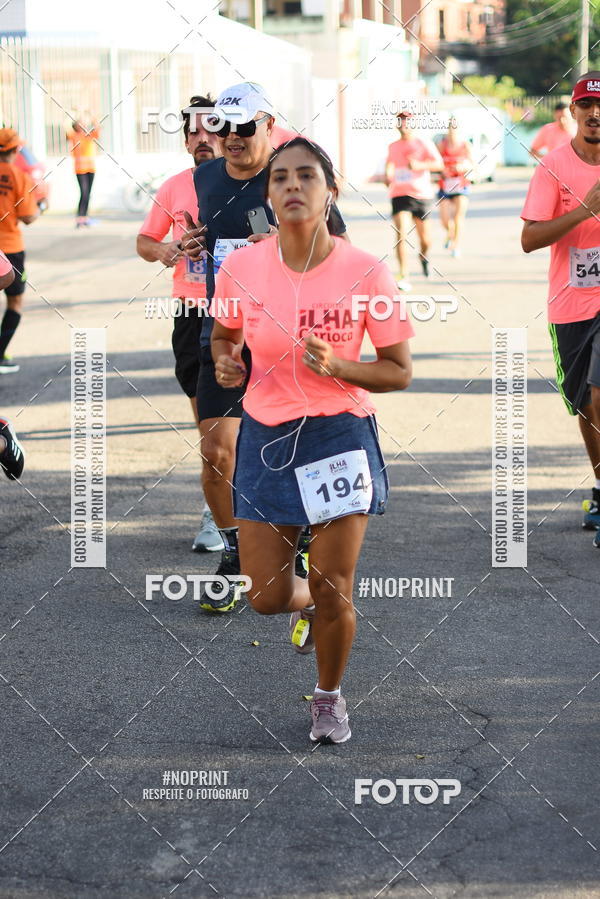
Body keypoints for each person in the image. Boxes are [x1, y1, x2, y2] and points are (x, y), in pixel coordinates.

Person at [210, 137, 413, 743]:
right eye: (280, 178)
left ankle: (328, 698)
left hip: (338, 434)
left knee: (333, 586)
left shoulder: (366, 271)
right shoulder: (242, 268)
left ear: (330, 192)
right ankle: (306, 602)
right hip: (265, 436)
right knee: (266, 597)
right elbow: (223, 335)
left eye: (306, 176)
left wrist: (342, 367)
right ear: (268, 195)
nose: (292, 185)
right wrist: (226, 361)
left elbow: (398, 371)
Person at [180, 82, 347, 613]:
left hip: (287, 336)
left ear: (269, 125)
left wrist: (282, 246)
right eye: (223, 126)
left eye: (244, 126)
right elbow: (207, 235)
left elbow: (341, 249)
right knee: (217, 451)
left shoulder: (294, 173)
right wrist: (193, 244)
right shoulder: (205, 177)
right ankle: (235, 552)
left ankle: (301, 543)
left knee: (293, 452)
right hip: (225, 333)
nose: (231, 137)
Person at [137, 95, 223, 553]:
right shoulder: (173, 187)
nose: (201, 138)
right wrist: (167, 250)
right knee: (208, 421)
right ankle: (217, 512)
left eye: (210, 129)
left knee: (254, 418)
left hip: (244, 311)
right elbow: (145, 240)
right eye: (193, 132)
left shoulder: (252, 183)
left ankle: (263, 511)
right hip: (191, 312)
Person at [521, 72, 600, 548]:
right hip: (571, 302)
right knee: (585, 403)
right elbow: (529, 238)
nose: (595, 114)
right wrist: (584, 211)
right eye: (586, 106)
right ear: (573, 112)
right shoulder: (553, 166)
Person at [385, 112, 442, 291]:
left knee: (426, 240)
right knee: (401, 234)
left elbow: (439, 164)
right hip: (400, 194)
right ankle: (404, 275)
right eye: (400, 121)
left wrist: (420, 165)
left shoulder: (423, 143)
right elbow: (389, 164)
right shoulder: (393, 146)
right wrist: (387, 175)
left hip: (422, 195)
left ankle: (423, 256)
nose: (403, 125)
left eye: (407, 121)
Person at [0, 128, 39, 374]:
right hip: (10, 248)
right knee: (14, 301)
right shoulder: (18, 175)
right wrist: (41, 207)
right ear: (15, 150)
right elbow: (28, 217)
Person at [436, 118, 475, 258]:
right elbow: (436, 163)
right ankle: (450, 233)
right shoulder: (442, 146)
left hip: (461, 186)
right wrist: (442, 171)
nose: (452, 131)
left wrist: (463, 167)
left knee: (458, 217)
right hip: (445, 186)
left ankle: (456, 245)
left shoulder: (465, 145)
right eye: (450, 128)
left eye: (455, 128)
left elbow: (473, 165)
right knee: (445, 220)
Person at [67, 116, 100, 227]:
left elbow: (97, 128)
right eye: (80, 123)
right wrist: (73, 113)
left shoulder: (89, 135)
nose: (83, 125)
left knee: (88, 194)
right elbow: (66, 127)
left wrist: (91, 115)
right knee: (84, 193)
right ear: (76, 126)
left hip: (91, 168)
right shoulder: (74, 136)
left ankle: (85, 217)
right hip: (80, 170)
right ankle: (80, 217)